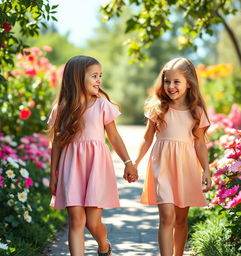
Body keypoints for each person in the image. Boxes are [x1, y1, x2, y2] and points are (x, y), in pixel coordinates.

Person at [47, 55, 138, 256]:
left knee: (93, 222)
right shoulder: (61, 109)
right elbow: (57, 143)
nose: (99, 80)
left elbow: (114, 136)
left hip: (96, 168)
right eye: (94, 76)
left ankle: (104, 246)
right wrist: (53, 174)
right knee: (76, 221)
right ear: (77, 79)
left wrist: (128, 163)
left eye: (100, 76)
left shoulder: (102, 105)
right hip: (71, 168)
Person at [134, 57, 211, 256]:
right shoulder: (158, 107)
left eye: (176, 82)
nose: (170, 86)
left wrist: (207, 170)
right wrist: (134, 163)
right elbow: (147, 138)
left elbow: (200, 143)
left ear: (189, 83)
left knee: (180, 220)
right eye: (167, 81)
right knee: (166, 216)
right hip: (163, 167)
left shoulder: (196, 112)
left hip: (186, 168)